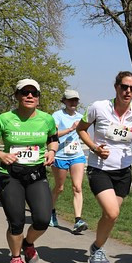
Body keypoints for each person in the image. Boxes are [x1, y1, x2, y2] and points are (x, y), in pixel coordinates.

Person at [0, 79, 59, 263]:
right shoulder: (4, 119)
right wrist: (1, 155)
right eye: (25, 92)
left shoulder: (47, 119)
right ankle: (16, 257)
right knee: (16, 222)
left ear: (39, 98)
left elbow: (53, 139)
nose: (30, 96)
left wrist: (51, 152)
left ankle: (28, 243)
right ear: (17, 96)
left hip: (36, 174)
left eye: (34, 93)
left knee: (42, 219)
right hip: (10, 176)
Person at [76, 71, 132, 263]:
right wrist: (94, 147)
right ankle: (98, 248)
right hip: (99, 168)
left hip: (124, 170)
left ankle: (96, 247)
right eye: (124, 87)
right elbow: (81, 129)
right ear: (116, 86)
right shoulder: (98, 107)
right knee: (112, 212)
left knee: (111, 216)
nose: (128, 91)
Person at [50, 89, 89, 234]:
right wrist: (70, 129)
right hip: (60, 155)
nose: (73, 103)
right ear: (64, 101)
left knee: (77, 187)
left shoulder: (81, 117)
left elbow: (85, 134)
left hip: (76, 155)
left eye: (75, 100)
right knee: (59, 187)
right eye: (70, 100)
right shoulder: (57, 115)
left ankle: (78, 220)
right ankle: (51, 211)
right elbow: (52, 134)